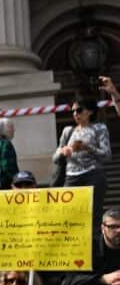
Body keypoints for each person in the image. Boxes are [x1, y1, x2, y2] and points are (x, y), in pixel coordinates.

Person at [55, 96, 111, 237]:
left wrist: (88, 147)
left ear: (90, 111)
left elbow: (107, 155)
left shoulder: (99, 128)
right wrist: (64, 152)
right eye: (73, 111)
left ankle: (96, 248)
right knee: (68, 213)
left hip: (93, 174)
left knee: (94, 213)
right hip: (71, 177)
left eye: (79, 110)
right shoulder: (68, 131)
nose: (75, 114)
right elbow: (55, 158)